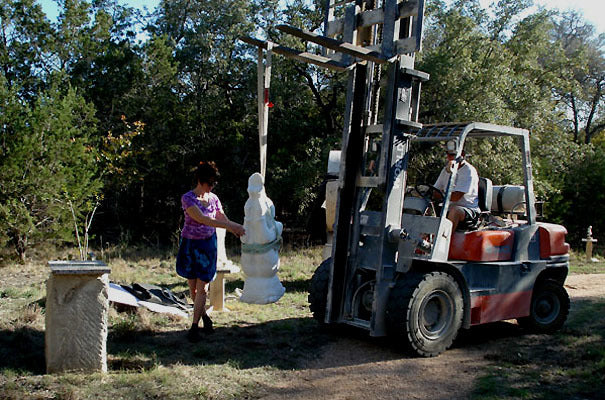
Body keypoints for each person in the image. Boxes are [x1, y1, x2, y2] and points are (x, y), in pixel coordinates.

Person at [176, 161, 245, 342]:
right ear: (200, 180)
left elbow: (220, 217)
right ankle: (205, 318)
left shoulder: (214, 199)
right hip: (191, 246)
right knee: (193, 289)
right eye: (209, 183)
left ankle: (193, 327)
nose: (211, 186)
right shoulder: (188, 199)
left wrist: (233, 227)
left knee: (203, 288)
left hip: (207, 246)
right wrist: (232, 227)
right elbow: (204, 219)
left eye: (214, 183)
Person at [433, 141, 480, 232]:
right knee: (425, 206)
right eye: (448, 154)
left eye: (453, 155)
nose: (450, 157)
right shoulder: (446, 170)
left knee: (455, 211)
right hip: (448, 207)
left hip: (468, 209)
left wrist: (442, 193)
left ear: (461, 154)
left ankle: (444, 241)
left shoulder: (468, 171)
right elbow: (435, 192)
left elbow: (456, 197)